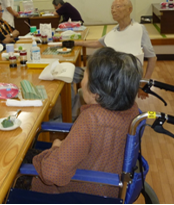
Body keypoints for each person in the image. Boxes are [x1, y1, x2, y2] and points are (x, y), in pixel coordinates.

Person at [29, 47, 142, 198]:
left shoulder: (92, 119)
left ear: (96, 93)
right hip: (112, 187)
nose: (81, 81)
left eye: (84, 76)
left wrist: (56, 146)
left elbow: (52, 174)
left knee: (14, 173)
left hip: (81, 193)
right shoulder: (133, 109)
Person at [73, 0, 157, 99]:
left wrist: (144, 83)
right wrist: (74, 42)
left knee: (83, 84)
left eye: (118, 7)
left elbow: (152, 57)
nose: (113, 10)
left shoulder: (139, 29)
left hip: (122, 78)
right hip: (107, 71)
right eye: (112, 7)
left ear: (130, 9)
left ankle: (75, 110)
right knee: (69, 73)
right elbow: (97, 43)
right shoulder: (114, 31)